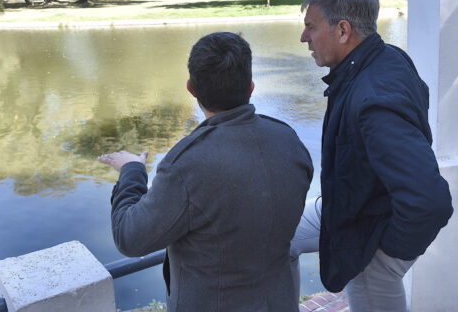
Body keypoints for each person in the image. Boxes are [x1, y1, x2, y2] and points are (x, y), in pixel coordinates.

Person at [98, 32, 313, 312]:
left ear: (191, 89)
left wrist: (132, 170)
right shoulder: (289, 140)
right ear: (250, 87)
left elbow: (130, 238)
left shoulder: (188, 164)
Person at [291, 0, 453, 311]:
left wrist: (384, 260)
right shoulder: (383, 57)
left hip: (370, 234)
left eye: (311, 26)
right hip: (350, 208)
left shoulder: (373, 99)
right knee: (279, 234)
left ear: (343, 31)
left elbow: (429, 201)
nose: (304, 37)